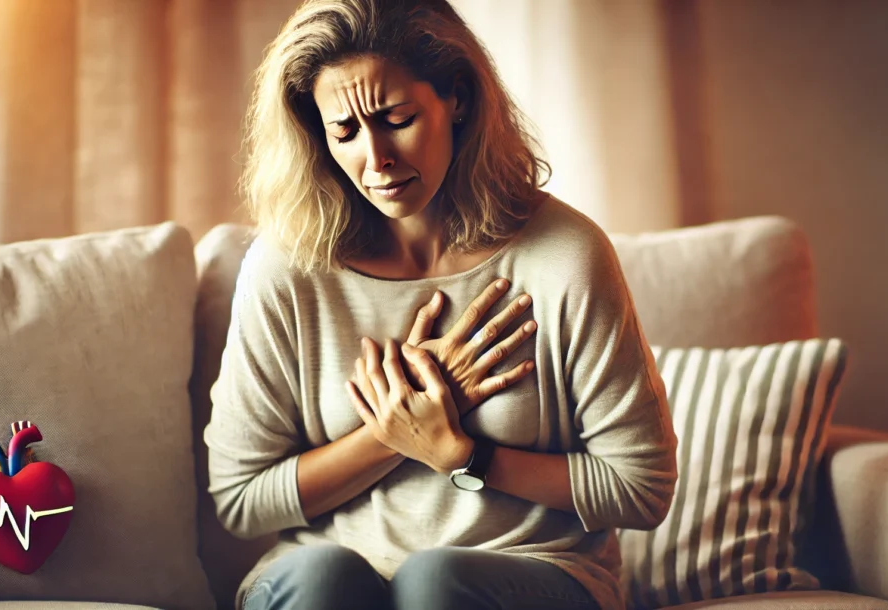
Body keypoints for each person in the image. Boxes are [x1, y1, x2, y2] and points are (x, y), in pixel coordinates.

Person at [204, 0, 678, 608]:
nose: (375, 161)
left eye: (396, 119)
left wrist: (464, 453)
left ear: (456, 97)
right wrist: (397, 431)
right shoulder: (286, 267)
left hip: (531, 570)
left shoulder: (564, 255)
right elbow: (240, 500)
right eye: (343, 132)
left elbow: (642, 488)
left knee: (433, 585)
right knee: (321, 581)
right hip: (323, 582)